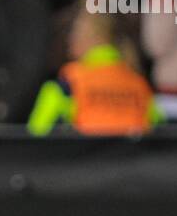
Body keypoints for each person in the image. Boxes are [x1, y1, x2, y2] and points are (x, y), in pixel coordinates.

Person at [27, 10, 160, 136]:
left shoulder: (68, 84)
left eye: (75, 31)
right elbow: (159, 131)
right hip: (131, 159)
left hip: (85, 159)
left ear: (91, 36)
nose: (70, 39)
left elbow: (37, 135)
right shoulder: (139, 84)